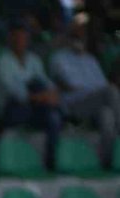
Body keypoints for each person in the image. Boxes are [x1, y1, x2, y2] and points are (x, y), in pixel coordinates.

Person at [49, 13, 120, 166]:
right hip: (74, 105)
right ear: (69, 36)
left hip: (95, 102)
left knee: (107, 116)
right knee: (111, 91)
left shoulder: (91, 60)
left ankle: (107, 161)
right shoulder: (59, 58)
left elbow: (101, 84)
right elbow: (68, 86)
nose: (80, 39)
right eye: (76, 34)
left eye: (82, 35)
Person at [0, 22, 62, 170]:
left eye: (23, 38)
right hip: (12, 110)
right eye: (17, 38)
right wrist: (41, 97)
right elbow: (14, 91)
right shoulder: (3, 61)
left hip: (34, 107)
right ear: (10, 39)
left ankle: (51, 159)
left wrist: (52, 94)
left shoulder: (34, 59)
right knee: (37, 90)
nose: (20, 41)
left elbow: (46, 82)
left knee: (53, 115)